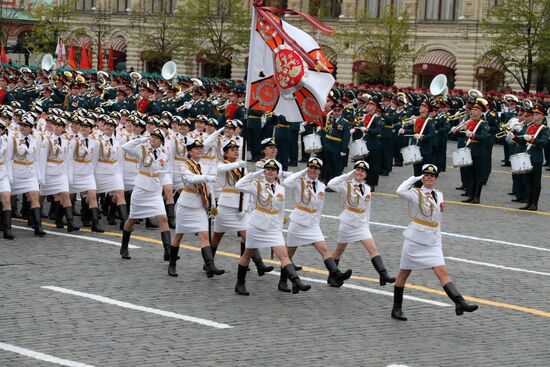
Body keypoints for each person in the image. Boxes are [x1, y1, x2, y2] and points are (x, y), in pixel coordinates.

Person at [392, 164, 478, 320]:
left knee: (442, 272)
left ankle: (460, 302)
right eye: (426, 175)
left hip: (432, 241)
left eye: (432, 175)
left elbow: (437, 217)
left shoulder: (439, 194)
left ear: (436, 178)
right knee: (404, 273)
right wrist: (416, 177)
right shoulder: (414, 193)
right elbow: (399, 190)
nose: (429, 177)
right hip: (415, 240)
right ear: (422, 177)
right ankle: (396, 309)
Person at [234, 159, 310, 295]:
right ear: (264, 171)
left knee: (284, 255)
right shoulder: (256, 184)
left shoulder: (281, 189)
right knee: (247, 254)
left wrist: (279, 227)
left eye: (273, 170)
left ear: (277, 173)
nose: (270, 172)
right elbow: (239, 185)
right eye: (267, 169)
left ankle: (296, 282)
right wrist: (254, 174)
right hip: (256, 226)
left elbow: (281, 210)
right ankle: (240, 284)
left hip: (273, 228)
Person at [281, 157, 352, 292]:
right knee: (288, 254)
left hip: (313, 223)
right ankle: (283, 281)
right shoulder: (298, 181)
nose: (313, 170)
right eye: (311, 167)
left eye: (316, 168)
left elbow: (320, 207)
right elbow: (286, 182)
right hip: (298, 222)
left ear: (320, 171)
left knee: (324, 249)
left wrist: (317, 223)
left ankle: (336, 273)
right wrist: (302, 172)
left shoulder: (321, 186)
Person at [326, 161, 395, 287]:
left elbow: (367, 208)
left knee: (373, 249)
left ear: (365, 175)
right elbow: (331, 183)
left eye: (362, 171)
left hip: (361, 225)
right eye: (357, 170)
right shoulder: (346, 185)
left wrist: (366, 225)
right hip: (347, 222)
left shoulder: (367, 188)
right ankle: (332, 276)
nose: (359, 173)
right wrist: (348, 174)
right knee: (339, 251)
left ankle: (383, 275)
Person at [166, 138, 223, 278]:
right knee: (179, 235)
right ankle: (172, 264)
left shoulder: (204, 166)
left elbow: (209, 187)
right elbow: (190, 179)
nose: (199, 151)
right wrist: (205, 177)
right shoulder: (184, 165)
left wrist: (213, 206)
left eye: (201, 148)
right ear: (189, 152)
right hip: (186, 204)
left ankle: (210, 266)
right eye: (196, 149)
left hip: (200, 205)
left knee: (204, 235)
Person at [119, 129, 172, 260]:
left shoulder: (164, 155)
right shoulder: (141, 149)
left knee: (163, 218)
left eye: (157, 138)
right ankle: (124, 246)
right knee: (132, 219)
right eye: (152, 137)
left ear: (161, 142)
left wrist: (165, 188)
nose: (153, 139)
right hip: (141, 188)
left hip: (155, 190)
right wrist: (141, 139)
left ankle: (168, 251)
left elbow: (163, 173)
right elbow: (125, 147)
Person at [38, 117, 80, 232]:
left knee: (65, 195)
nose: (56, 126)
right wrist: (41, 177)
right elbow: (42, 159)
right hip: (49, 173)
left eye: (59, 125)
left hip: (61, 173)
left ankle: (70, 223)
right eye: (55, 125)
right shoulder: (47, 140)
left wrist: (68, 175)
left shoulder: (66, 141)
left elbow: (68, 160)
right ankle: (35, 220)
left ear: (63, 128)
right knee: (41, 197)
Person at [8, 115, 46, 236]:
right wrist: (8, 175)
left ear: (31, 128)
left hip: (30, 173)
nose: (22, 128)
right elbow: (8, 158)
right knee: (9, 199)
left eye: (25, 126)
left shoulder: (35, 139)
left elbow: (37, 158)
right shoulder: (12, 139)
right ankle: (5, 223)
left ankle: (38, 226)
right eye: (21, 125)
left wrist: (39, 175)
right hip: (16, 172)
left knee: (35, 197)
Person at [516, 104, 549, 211]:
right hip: (527, 157)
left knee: (535, 181)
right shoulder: (529, 127)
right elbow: (522, 141)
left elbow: (544, 142)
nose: (534, 116)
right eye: (534, 114)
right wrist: (515, 138)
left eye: (537, 114)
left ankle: (534, 203)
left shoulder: (544, 129)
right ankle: (528, 202)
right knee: (527, 181)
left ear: (542, 116)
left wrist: (532, 139)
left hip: (536, 158)